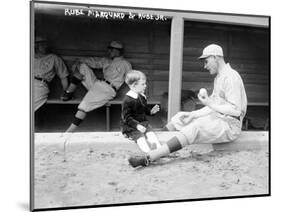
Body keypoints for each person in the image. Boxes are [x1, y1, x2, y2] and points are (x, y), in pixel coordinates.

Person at [128, 44, 248, 168]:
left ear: (215, 57)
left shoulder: (231, 77)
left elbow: (236, 110)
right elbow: (213, 106)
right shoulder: (220, 77)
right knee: (180, 118)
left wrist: (209, 103)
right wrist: (192, 114)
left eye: (206, 61)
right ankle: (158, 148)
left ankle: (150, 157)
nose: (205, 66)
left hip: (230, 124)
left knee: (195, 127)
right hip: (218, 118)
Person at [62, 41, 132, 132]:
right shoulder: (107, 61)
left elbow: (131, 79)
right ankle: (68, 93)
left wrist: (134, 95)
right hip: (98, 84)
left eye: (111, 50)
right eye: (109, 50)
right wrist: (78, 62)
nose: (109, 52)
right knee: (82, 66)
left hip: (108, 89)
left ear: (118, 51)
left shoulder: (125, 64)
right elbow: (92, 62)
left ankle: (68, 132)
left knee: (83, 107)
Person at [121, 70, 162, 153]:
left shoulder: (141, 96)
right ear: (134, 86)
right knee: (141, 139)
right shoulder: (127, 100)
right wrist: (137, 126)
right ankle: (149, 154)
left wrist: (151, 112)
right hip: (131, 127)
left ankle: (159, 151)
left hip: (143, 123)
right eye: (142, 84)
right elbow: (126, 118)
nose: (145, 86)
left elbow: (143, 109)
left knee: (151, 135)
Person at [34, 36, 69, 111]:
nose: (45, 46)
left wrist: (65, 92)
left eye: (45, 44)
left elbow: (63, 77)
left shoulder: (53, 58)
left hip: (40, 85)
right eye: (41, 44)